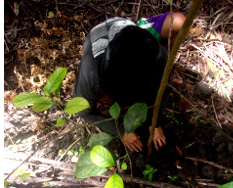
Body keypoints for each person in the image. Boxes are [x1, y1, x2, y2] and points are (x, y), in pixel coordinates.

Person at [72, 12, 184, 152]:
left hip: (128, 32)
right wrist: (121, 131)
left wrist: (154, 122)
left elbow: (164, 88)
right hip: (102, 36)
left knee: (179, 22)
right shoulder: (92, 77)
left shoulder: (158, 57)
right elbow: (83, 112)